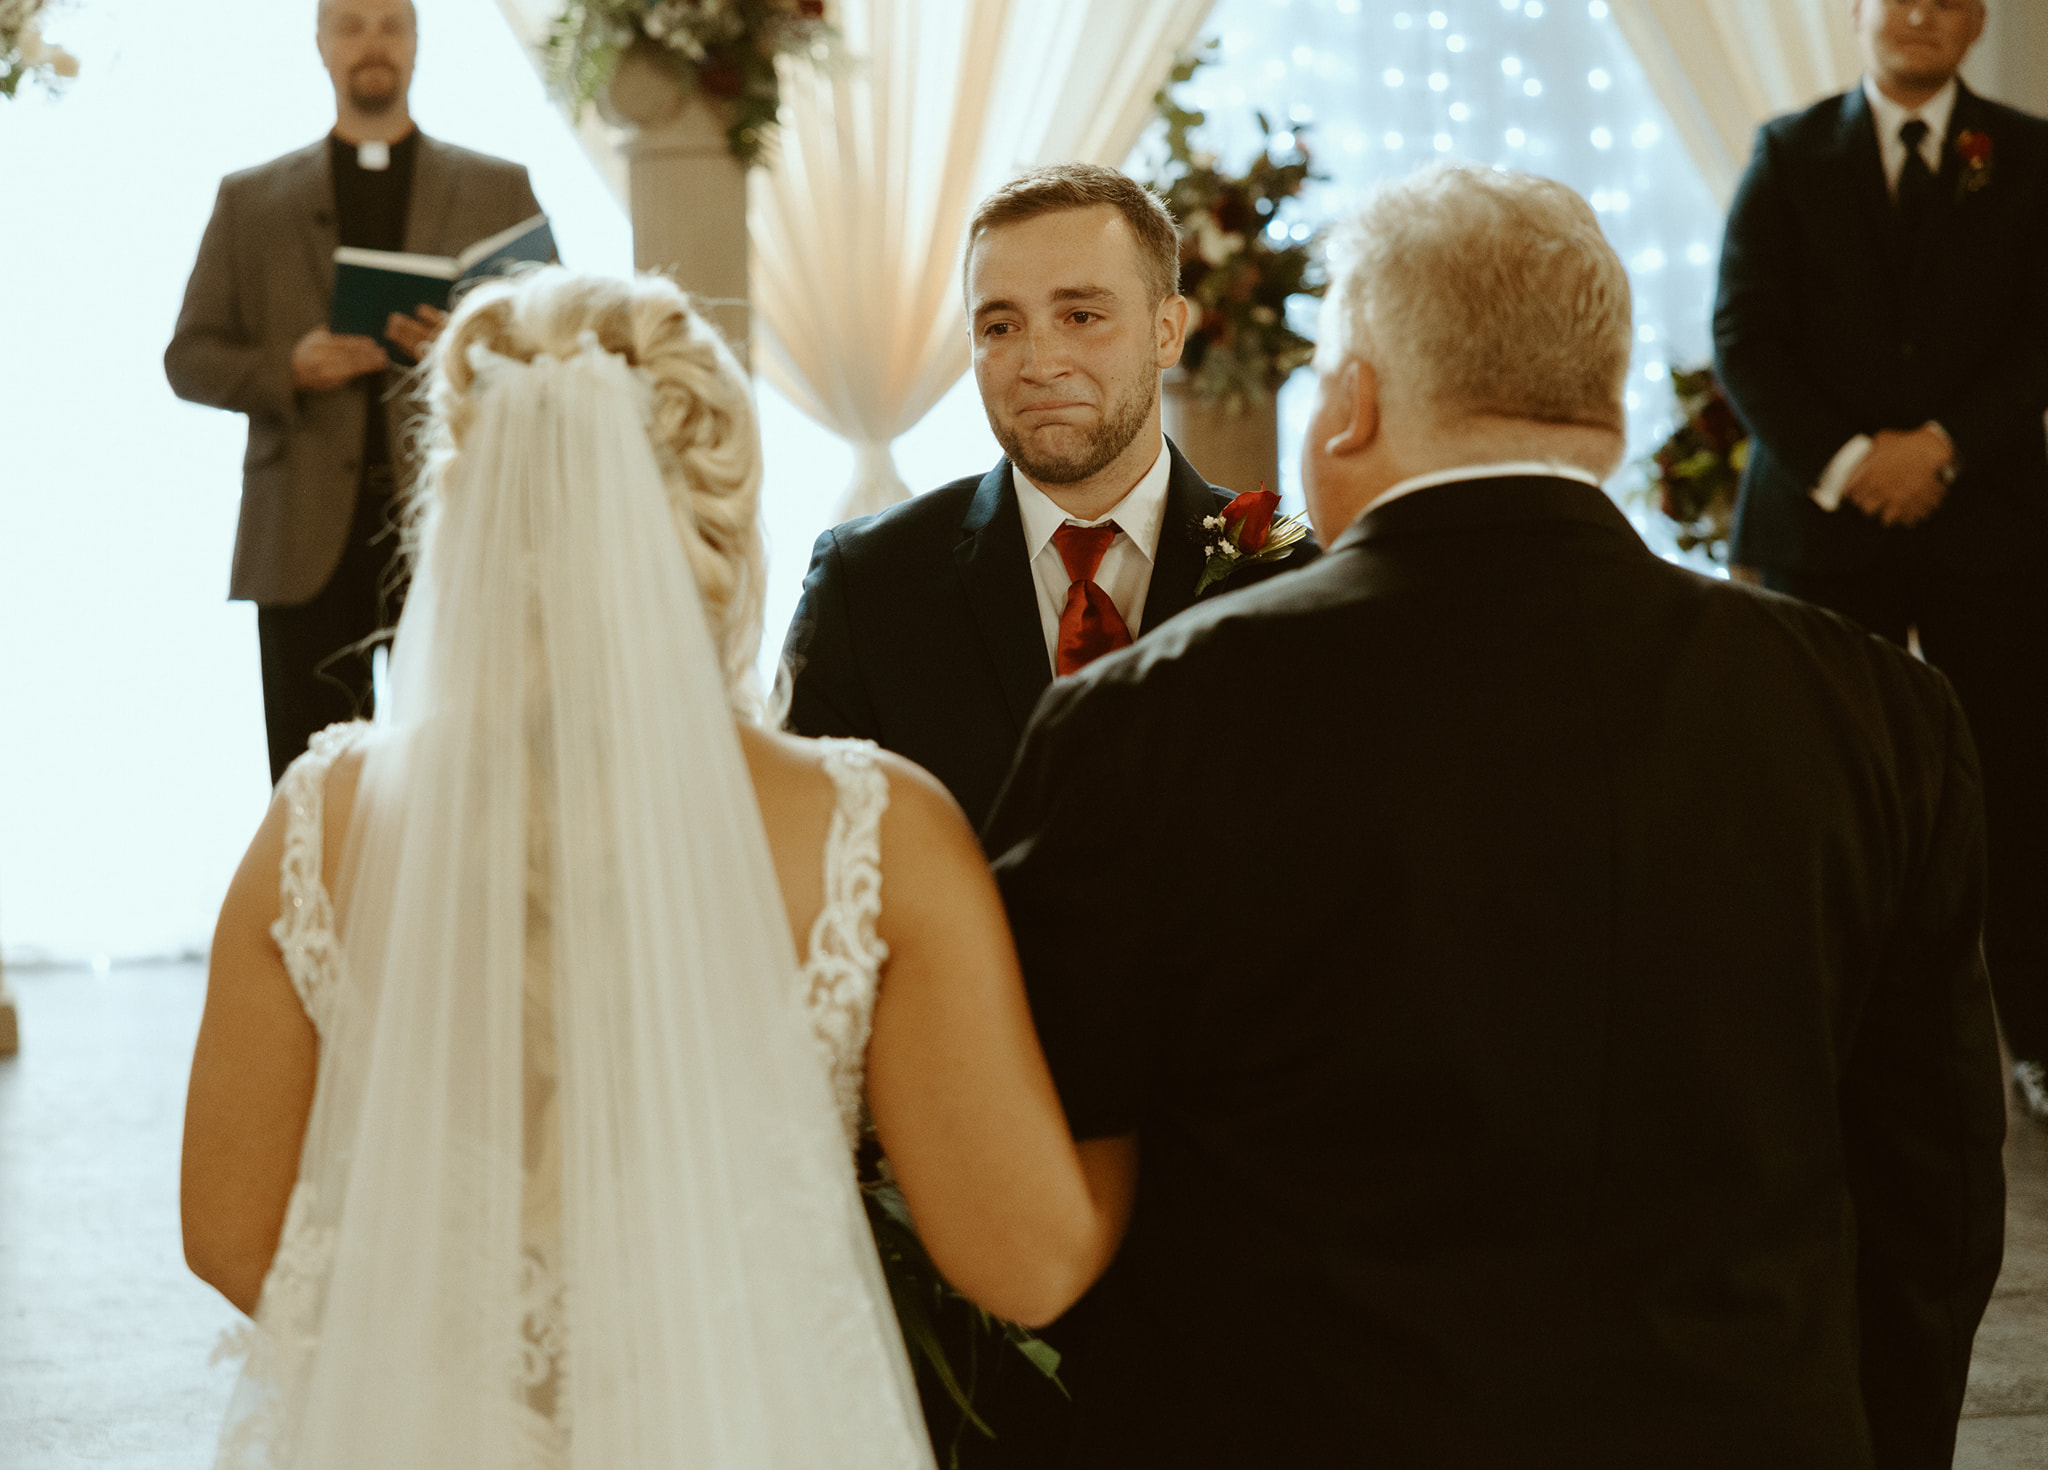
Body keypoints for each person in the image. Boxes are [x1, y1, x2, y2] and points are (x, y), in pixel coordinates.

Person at [987, 162, 2008, 1469]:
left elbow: (1057, 1186)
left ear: (1350, 403)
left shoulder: (1149, 717)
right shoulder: (1876, 712)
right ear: (1608, 416)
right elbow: (1935, 1200)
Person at [179, 270, 1133, 1464]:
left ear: (461, 515)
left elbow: (228, 1233)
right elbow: (1027, 1261)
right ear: (723, 516)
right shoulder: (869, 828)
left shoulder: (319, 819)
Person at [1714, 0, 2048, 1121]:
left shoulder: (2029, 153)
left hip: (1986, 524)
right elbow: (1741, 331)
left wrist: (1941, 449)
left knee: (2011, 780)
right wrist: (1855, 461)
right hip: (1821, 524)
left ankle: (2035, 1041)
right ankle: (1806, 1034)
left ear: (1974, 24)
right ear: (1857, 15)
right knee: (1815, 782)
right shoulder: (1785, 150)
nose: (1918, 14)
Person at [782, 163, 1316, 832]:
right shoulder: (866, 586)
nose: (1039, 362)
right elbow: (809, 858)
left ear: (1168, 332)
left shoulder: (1292, 576)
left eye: (1081, 315)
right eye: (1000, 326)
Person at [165, 0, 550, 785]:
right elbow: (188, 358)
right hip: (304, 549)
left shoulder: (499, 188)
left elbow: (558, 347)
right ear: (319, 45)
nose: (372, 42)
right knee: (313, 793)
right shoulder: (251, 201)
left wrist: (463, 350)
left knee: (461, 788)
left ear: (416, 42)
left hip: (452, 537)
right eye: (350, 24)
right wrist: (288, 369)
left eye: (390, 23)